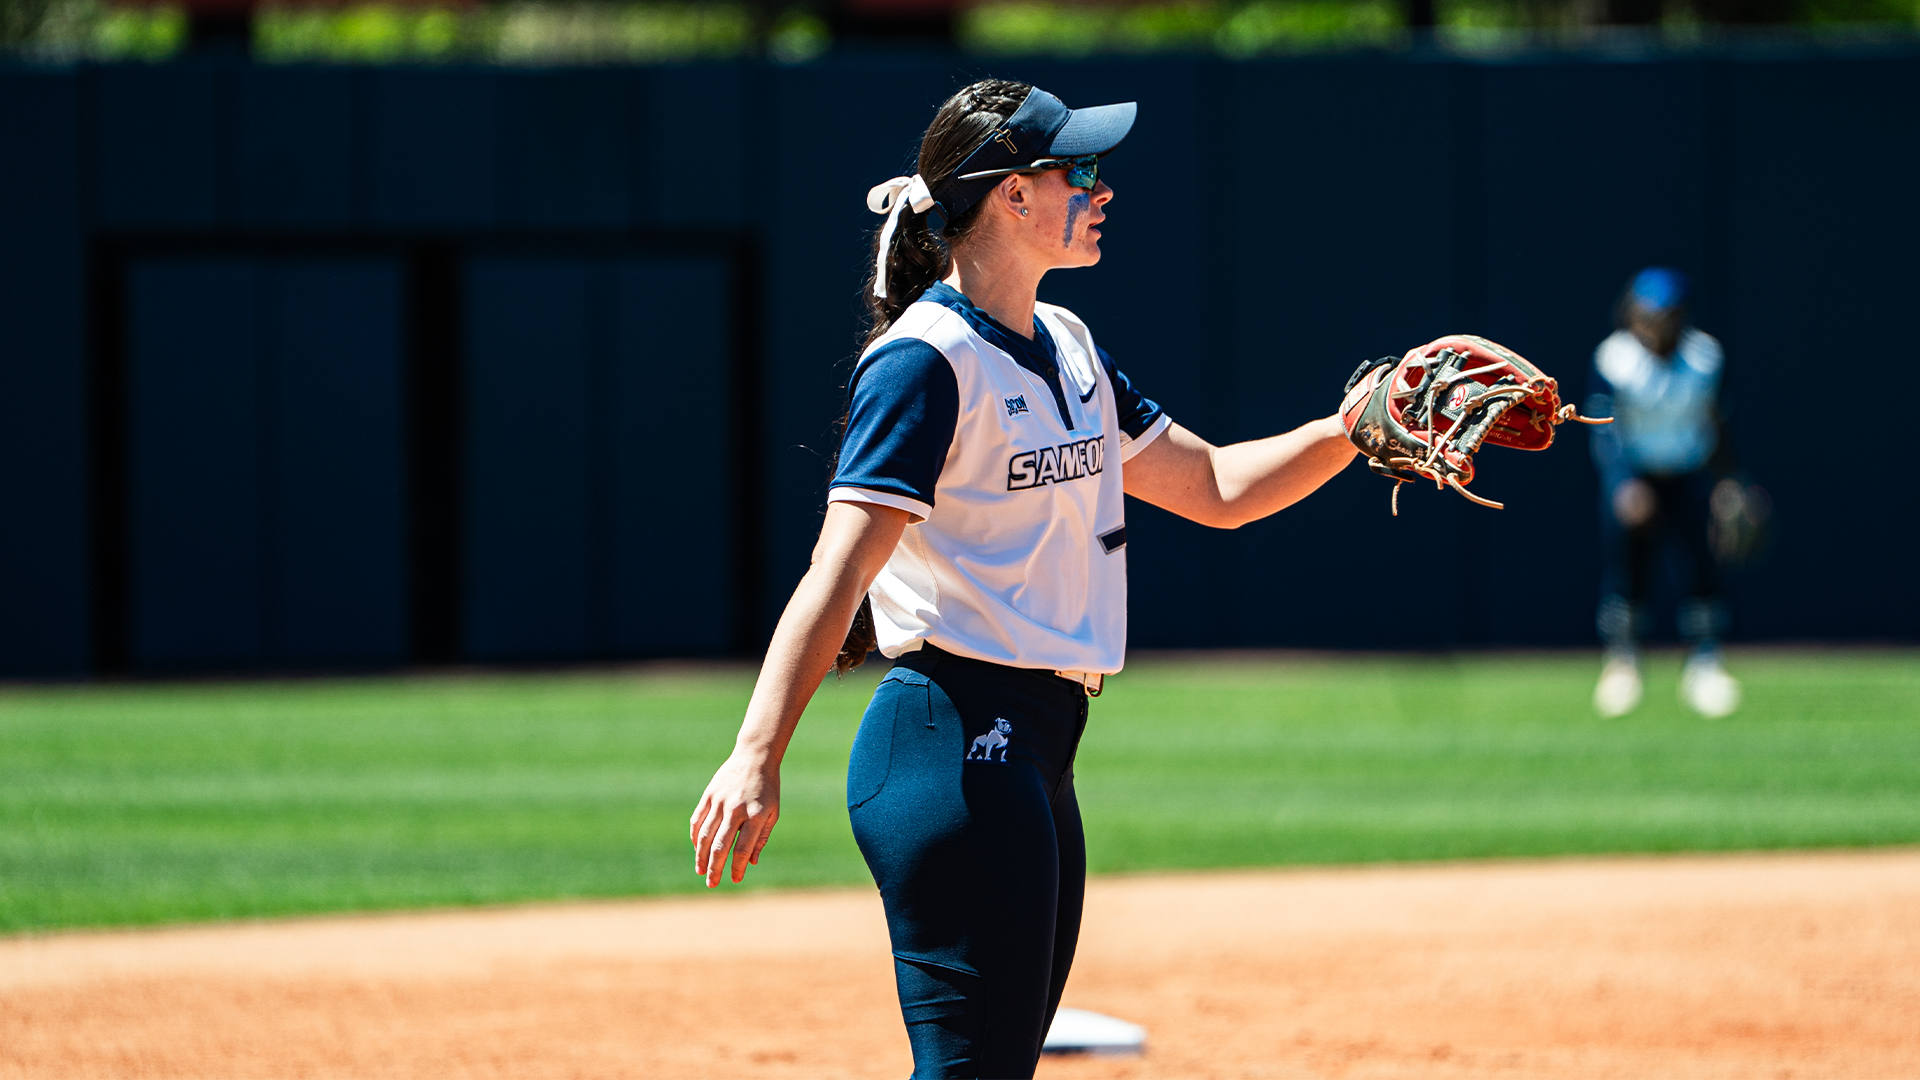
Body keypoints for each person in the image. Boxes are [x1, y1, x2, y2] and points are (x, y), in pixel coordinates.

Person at [686, 79, 1356, 1079]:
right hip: (951, 744)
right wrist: (755, 751)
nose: (1102, 189)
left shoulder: (1069, 345)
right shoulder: (927, 359)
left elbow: (1217, 487)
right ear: (1010, 194)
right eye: (1078, 169)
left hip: (1038, 751)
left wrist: (1354, 431)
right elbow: (839, 569)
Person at [1587, 268, 1741, 718]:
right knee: (1628, 573)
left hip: (1688, 473)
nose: (1655, 322)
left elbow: (1715, 423)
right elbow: (1604, 431)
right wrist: (1623, 484)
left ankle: (1706, 663)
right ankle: (1622, 663)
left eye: (1666, 314)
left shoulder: (1705, 356)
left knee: (1701, 571)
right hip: (1637, 476)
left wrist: (1730, 480)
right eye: (1648, 313)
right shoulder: (1614, 359)